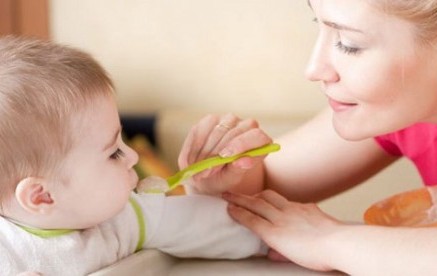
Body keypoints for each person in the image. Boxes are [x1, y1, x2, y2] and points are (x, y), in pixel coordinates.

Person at [177, 0, 437, 274]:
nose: (313, 69)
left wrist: (330, 241)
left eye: (349, 45)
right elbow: (264, 183)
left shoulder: (404, 100)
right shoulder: (407, 108)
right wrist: (222, 176)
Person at [0, 36, 266, 276]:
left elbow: (216, 226)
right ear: (42, 196)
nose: (133, 157)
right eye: (114, 152)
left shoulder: (126, 217)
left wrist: (269, 242)